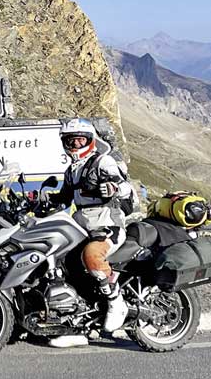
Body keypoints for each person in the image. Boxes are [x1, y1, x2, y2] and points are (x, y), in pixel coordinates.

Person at [49, 117, 132, 348]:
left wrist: (114, 188)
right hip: (82, 224)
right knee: (63, 264)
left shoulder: (103, 162)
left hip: (107, 222)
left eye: (79, 141)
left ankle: (117, 302)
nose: (75, 146)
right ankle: (76, 324)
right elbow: (63, 199)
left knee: (92, 256)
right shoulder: (71, 171)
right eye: (70, 141)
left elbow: (124, 186)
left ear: (90, 140)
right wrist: (39, 200)